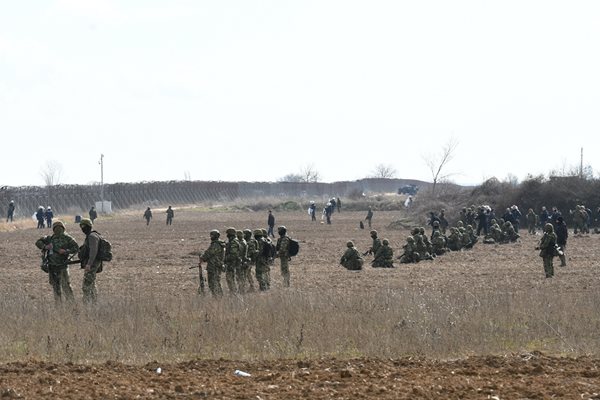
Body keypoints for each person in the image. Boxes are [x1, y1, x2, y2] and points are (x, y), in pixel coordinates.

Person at [35, 220, 79, 303]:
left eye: (60, 228)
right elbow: (38, 242)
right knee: (56, 287)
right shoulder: (49, 238)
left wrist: (66, 251)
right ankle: (58, 306)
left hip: (63, 266)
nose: (58, 230)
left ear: (63, 228)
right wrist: (45, 246)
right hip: (52, 266)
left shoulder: (68, 238)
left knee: (66, 286)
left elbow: (76, 248)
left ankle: (71, 305)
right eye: (56, 228)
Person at [78, 218, 104, 303]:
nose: (82, 228)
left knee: (86, 285)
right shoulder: (91, 235)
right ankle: (94, 303)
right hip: (92, 263)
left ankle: (87, 304)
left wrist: (89, 264)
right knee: (91, 284)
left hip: (92, 263)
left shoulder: (92, 236)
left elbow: (93, 251)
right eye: (81, 226)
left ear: (88, 226)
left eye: (83, 226)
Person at [199, 230, 225, 297]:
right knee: (215, 282)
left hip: (214, 266)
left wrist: (202, 257)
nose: (211, 237)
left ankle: (217, 297)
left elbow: (209, 254)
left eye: (212, 235)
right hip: (216, 265)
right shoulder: (219, 244)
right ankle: (217, 296)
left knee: (214, 283)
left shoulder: (216, 244)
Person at [224, 227, 242, 294]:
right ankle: (233, 292)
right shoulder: (232, 241)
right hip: (231, 263)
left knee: (230, 279)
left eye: (228, 234)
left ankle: (233, 292)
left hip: (232, 264)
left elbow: (233, 255)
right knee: (230, 279)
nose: (227, 235)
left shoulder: (234, 242)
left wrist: (224, 259)